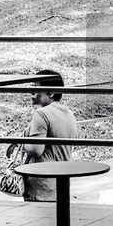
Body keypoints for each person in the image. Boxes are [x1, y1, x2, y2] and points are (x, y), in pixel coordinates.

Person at [20, 69, 81, 203]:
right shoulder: (68, 113)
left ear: (51, 92)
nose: (31, 92)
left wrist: (21, 143)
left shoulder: (41, 114)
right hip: (61, 183)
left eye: (36, 87)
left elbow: (36, 150)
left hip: (41, 183)